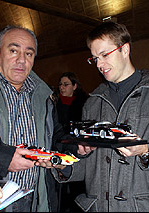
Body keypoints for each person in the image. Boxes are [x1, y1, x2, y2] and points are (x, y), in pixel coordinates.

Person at [50, 21, 149, 212]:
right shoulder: (92, 103)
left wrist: (145, 151)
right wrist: (63, 163)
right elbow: (89, 168)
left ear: (125, 49)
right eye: (94, 58)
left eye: (105, 55)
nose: (99, 64)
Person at [0, 25, 77, 212]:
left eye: (29, 54)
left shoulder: (44, 95)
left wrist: (75, 145)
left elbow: (55, 137)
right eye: (13, 51)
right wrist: (3, 159)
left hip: (37, 199)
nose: (21, 60)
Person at [55, 72, 88, 212]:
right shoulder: (53, 103)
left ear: (75, 86)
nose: (62, 87)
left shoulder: (85, 103)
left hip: (77, 150)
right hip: (58, 148)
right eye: (60, 84)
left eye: (66, 84)